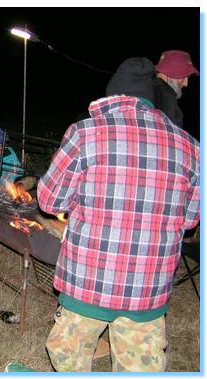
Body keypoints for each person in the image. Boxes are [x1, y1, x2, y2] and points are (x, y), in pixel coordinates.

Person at [37, 57, 200, 372]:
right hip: (148, 287)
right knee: (140, 367)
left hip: (88, 280)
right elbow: (190, 220)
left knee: (68, 355)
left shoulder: (85, 133)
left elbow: (49, 200)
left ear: (113, 96)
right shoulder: (192, 147)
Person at [154, 50, 199, 128]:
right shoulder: (167, 100)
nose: (186, 84)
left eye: (188, 78)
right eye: (183, 76)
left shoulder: (146, 88)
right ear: (169, 73)